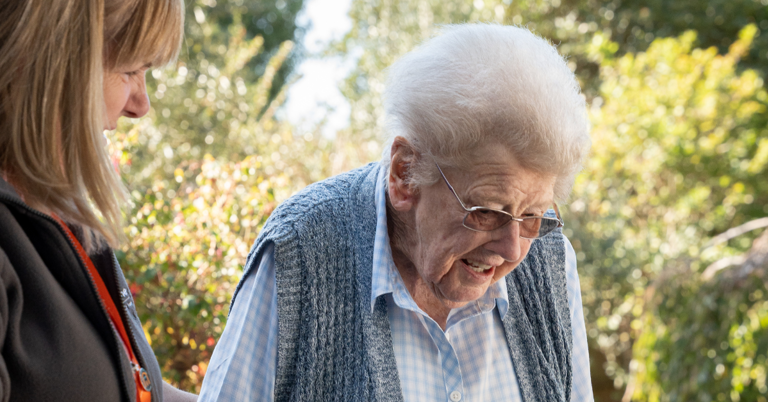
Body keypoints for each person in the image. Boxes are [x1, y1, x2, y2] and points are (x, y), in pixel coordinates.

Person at [200, 24, 594, 401]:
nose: (511, 249)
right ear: (405, 173)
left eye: (531, 216)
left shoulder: (550, 262)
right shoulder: (298, 255)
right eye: (487, 211)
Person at [0, 0, 196, 401]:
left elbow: (129, 387)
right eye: (130, 70)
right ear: (57, 62)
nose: (141, 105)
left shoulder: (55, 214)